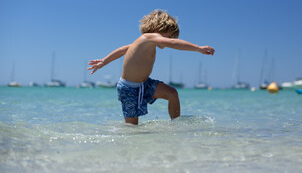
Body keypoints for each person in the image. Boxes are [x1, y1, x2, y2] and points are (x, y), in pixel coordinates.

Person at [87, 9, 215, 125]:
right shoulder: (148, 38)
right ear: (158, 31)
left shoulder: (145, 43)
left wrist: (104, 61)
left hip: (145, 84)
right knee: (132, 127)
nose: (170, 39)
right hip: (128, 89)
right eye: (169, 35)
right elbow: (173, 43)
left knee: (172, 93)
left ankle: (176, 124)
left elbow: (122, 50)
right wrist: (198, 48)